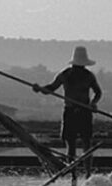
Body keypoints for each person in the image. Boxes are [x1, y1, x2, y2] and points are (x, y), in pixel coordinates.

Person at [33, 46, 102, 176]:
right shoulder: (65, 75)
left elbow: (98, 92)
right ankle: (73, 174)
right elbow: (51, 87)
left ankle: (88, 173)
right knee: (71, 145)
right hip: (70, 111)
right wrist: (40, 89)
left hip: (84, 112)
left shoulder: (88, 76)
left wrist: (93, 103)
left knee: (87, 143)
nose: (79, 69)